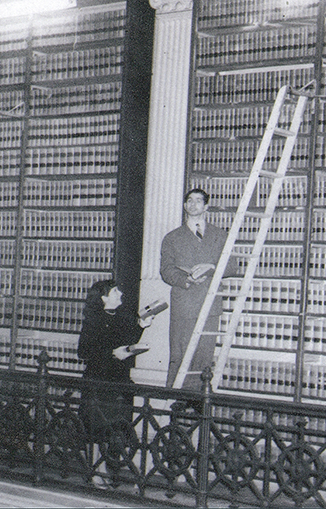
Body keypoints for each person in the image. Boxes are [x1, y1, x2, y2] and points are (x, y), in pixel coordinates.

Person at [77, 279, 154, 487]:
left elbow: (127, 339)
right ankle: (96, 471)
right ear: (104, 298)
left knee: (111, 427)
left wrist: (141, 327)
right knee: (96, 427)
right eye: (115, 291)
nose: (120, 294)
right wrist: (112, 353)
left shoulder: (120, 317)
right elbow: (83, 352)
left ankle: (103, 468)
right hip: (99, 379)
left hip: (118, 378)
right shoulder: (93, 320)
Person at [160, 188, 238, 391]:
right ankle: (178, 399)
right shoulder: (172, 238)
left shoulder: (220, 235)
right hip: (184, 304)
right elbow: (166, 271)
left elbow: (232, 266)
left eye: (198, 201)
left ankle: (199, 400)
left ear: (206, 206)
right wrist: (186, 280)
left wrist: (212, 268)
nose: (193, 205)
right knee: (181, 354)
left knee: (204, 355)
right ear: (185, 206)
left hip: (210, 304)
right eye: (189, 201)